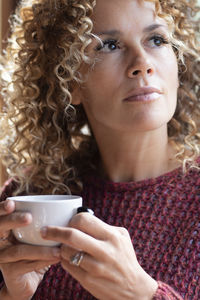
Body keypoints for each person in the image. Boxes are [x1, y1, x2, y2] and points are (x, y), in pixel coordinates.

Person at [0, 0, 199, 299]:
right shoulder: (25, 198)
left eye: (156, 39)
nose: (142, 63)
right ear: (70, 80)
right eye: (109, 45)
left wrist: (142, 294)